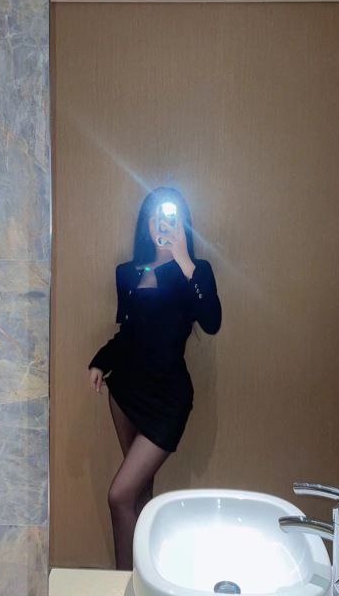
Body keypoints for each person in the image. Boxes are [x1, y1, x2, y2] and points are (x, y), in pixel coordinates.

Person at [88, 186, 222, 570]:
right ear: (145, 223)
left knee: (119, 495)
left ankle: (125, 585)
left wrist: (183, 259)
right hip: (125, 392)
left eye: (169, 217)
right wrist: (100, 361)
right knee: (138, 495)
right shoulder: (127, 272)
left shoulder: (196, 270)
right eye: (154, 217)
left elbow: (212, 322)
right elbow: (128, 334)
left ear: (182, 224)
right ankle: (145, 580)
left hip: (167, 400)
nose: (161, 224)